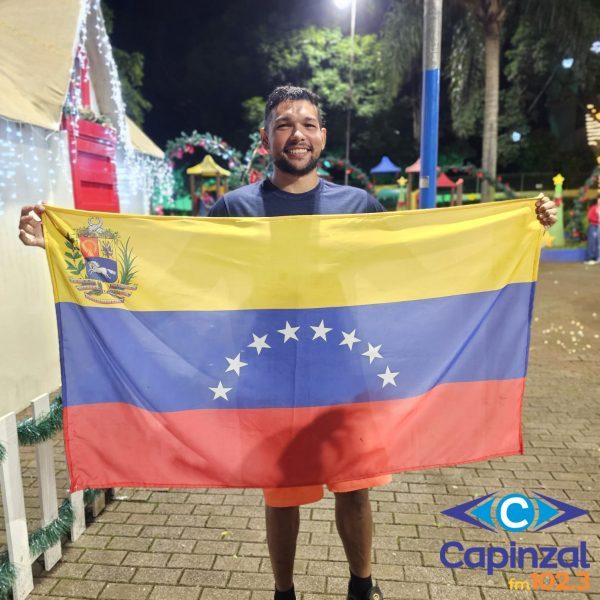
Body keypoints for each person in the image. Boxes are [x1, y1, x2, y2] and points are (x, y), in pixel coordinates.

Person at [18, 85, 558, 600]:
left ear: (322, 136)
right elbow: (172, 267)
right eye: (284, 125)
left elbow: (419, 264)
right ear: (266, 138)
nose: (297, 134)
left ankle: (361, 585)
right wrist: (65, 246)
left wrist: (519, 227)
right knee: (280, 495)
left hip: (347, 371)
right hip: (268, 375)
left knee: (355, 489)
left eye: (307, 124)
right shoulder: (235, 209)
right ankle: (284, 592)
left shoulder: (358, 206)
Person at [584, 198, 599, 265]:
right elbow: (590, 217)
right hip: (593, 226)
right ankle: (590, 258)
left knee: (596, 242)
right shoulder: (593, 208)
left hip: (597, 226)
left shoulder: (596, 208)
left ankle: (595, 257)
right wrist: (597, 220)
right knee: (592, 242)